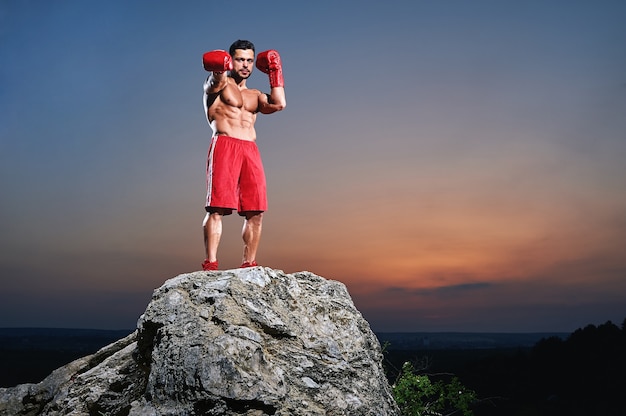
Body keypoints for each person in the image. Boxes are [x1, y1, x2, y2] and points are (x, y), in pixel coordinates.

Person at [200, 40, 286, 271]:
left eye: (249, 60)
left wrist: (275, 73)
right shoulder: (217, 85)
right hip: (225, 144)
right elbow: (214, 80)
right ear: (231, 60)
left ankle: (249, 263)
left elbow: (279, 104)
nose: (246, 65)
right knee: (216, 208)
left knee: (256, 211)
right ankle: (211, 263)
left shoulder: (255, 95)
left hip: (250, 149)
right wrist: (219, 68)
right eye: (240, 59)